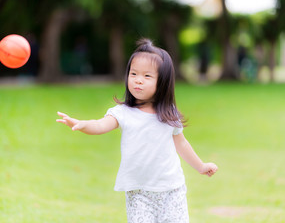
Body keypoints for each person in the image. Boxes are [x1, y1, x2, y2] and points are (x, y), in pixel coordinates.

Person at [56, 38, 218, 223]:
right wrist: (83, 124)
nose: (138, 80)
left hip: (171, 190)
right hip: (139, 192)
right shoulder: (123, 113)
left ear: (163, 82)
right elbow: (101, 125)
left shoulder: (168, 114)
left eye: (147, 76)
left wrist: (201, 166)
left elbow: (181, 143)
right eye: (133, 74)